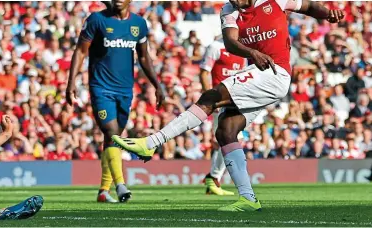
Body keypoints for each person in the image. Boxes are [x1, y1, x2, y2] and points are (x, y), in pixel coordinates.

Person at [114, 0, 344, 211]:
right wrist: (252, 52)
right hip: (258, 74)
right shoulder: (229, 10)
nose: (236, 1)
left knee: (209, 98)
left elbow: (309, 6)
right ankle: (248, 199)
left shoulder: (275, 0)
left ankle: (152, 142)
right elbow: (231, 42)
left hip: (276, 73)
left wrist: (328, 14)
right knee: (226, 131)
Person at [66, 0, 164, 203]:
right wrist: (71, 82)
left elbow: (144, 57)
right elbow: (81, 51)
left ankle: (103, 191)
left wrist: (157, 85)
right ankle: (121, 185)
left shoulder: (139, 24)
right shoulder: (97, 20)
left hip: (125, 90)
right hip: (101, 88)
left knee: (113, 138)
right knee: (111, 132)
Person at [198, 38, 246, 196]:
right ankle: (214, 177)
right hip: (220, 101)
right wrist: (209, 99)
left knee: (229, 140)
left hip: (236, 102)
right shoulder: (216, 47)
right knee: (227, 139)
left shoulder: (242, 49)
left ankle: (213, 178)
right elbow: (204, 72)